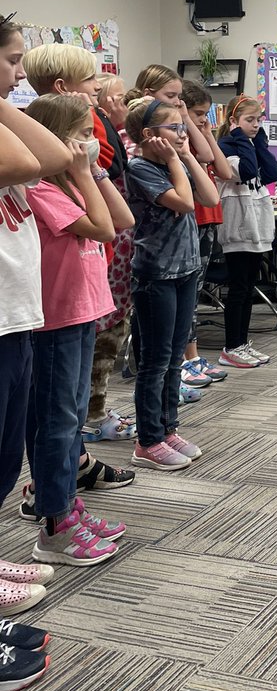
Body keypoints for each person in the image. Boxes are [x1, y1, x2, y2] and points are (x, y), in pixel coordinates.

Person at [21, 42, 136, 492]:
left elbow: (124, 220)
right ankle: (53, 503)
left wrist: (92, 173)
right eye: (83, 135)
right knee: (58, 414)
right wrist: (85, 173)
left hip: (85, 310)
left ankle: (63, 496)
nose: (92, 143)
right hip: (59, 318)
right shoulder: (44, 192)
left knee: (69, 410)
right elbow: (106, 231)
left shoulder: (74, 183)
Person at [0, 16, 74, 620]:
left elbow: (48, 156)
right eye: (11, 60)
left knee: (4, 460)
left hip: (15, 315)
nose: (21, 73)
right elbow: (36, 164)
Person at [124, 97, 220, 468]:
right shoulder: (140, 168)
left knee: (175, 358)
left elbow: (210, 197)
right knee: (156, 360)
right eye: (174, 127)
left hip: (184, 271)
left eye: (183, 126)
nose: (182, 133)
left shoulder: (171, 163)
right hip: (156, 275)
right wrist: (175, 160)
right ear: (149, 135)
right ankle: (148, 440)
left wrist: (184, 155)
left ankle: (168, 428)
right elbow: (184, 203)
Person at [86, 74, 135, 437]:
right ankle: (92, 413)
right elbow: (112, 167)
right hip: (107, 248)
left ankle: (97, 406)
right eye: (117, 99)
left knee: (116, 329)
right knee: (102, 334)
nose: (123, 104)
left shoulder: (117, 135)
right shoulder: (107, 138)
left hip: (122, 246)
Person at [216, 94, 277, 367]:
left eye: (259, 120)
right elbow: (248, 171)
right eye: (249, 120)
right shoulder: (226, 144)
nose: (255, 125)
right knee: (238, 288)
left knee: (248, 287)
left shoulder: (252, 143)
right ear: (233, 121)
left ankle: (242, 343)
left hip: (256, 223)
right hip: (238, 222)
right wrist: (242, 138)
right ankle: (231, 347)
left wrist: (260, 141)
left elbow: (271, 172)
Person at [179, 81, 233, 385]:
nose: (204, 119)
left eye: (207, 113)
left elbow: (222, 170)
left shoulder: (200, 138)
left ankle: (194, 356)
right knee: (188, 297)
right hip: (193, 220)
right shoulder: (181, 140)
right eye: (199, 113)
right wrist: (191, 125)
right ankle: (188, 357)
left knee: (194, 295)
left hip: (210, 220)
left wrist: (208, 132)